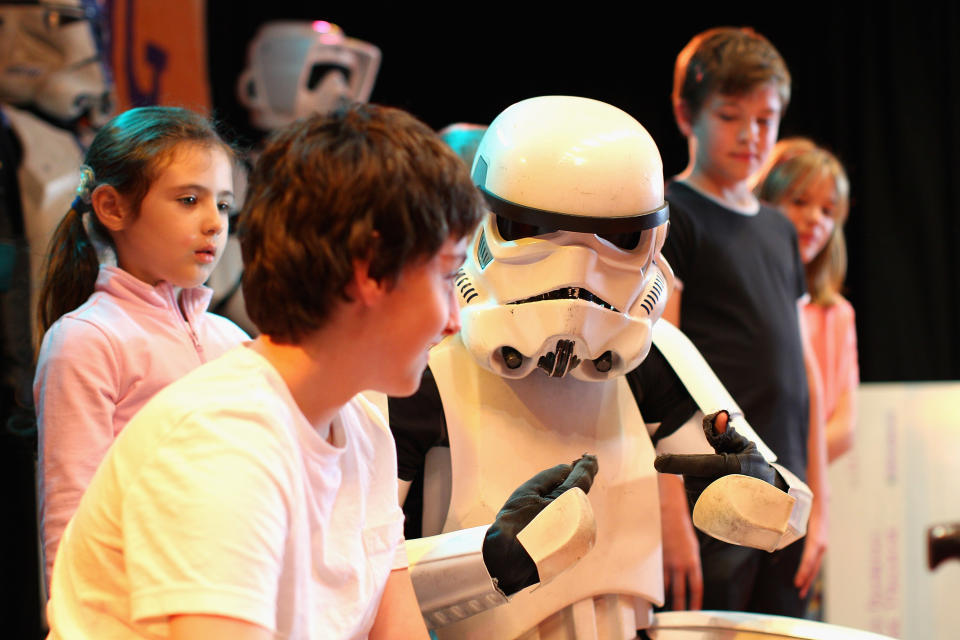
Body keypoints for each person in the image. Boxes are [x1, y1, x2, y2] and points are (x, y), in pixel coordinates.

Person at [44, 102, 598, 639]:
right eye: (447, 276)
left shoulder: (364, 432)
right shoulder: (221, 444)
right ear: (370, 273)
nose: (455, 320)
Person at [387, 95, 812, 639]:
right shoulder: (421, 376)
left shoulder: (656, 359)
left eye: (615, 238)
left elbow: (783, 508)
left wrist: (757, 488)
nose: (579, 270)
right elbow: (355, 571)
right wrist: (483, 564)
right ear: (484, 221)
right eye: (535, 230)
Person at [33, 106, 250, 590]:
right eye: (190, 199)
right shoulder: (87, 340)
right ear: (113, 207)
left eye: (223, 205)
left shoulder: (234, 342)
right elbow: (72, 520)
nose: (215, 223)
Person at [659, 27, 828, 616]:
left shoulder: (780, 229)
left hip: (788, 494)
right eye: (732, 116)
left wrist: (821, 507)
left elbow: (806, 372)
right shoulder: (674, 216)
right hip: (714, 496)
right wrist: (670, 516)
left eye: (766, 118)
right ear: (688, 114)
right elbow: (658, 365)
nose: (752, 135)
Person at [755, 138, 858, 464]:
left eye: (828, 211)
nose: (815, 218)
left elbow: (844, 428)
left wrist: (785, 468)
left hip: (802, 483)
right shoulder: (748, 296)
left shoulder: (837, 314)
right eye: (800, 201)